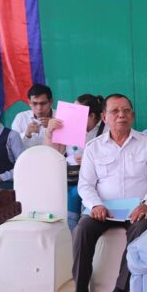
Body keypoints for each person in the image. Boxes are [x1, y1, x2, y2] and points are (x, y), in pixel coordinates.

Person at [71, 94, 147, 292]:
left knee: (143, 228)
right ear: (104, 117)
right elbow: (85, 184)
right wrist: (95, 205)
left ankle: (121, 290)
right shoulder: (93, 147)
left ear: (132, 115)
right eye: (115, 111)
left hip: (138, 208)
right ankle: (80, 290)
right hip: (103, 209)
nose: (121, 115)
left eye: (126, 110)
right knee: (82, 229)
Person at [45, 93, 106, 231]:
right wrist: (50, 133)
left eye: (78, 113)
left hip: (98, 179)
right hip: (72, 178)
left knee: (82, 195)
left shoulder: (107, 129)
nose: (72, 116)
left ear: (91, 116)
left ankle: (82, 230)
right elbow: (54, 154)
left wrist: (90, 160)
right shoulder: (69, 126)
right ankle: (71, 234)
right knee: (70, 194)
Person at [10, 83, 56, 148]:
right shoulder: (21, 118)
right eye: (34, 103)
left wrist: (55, 129)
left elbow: (68, 146)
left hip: (55, 154)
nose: (39, 108)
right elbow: (12, 145)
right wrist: (26, 134)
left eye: (43, 103)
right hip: (27, 154)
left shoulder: (61, 117)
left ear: (51, 101)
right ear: (29, 102)